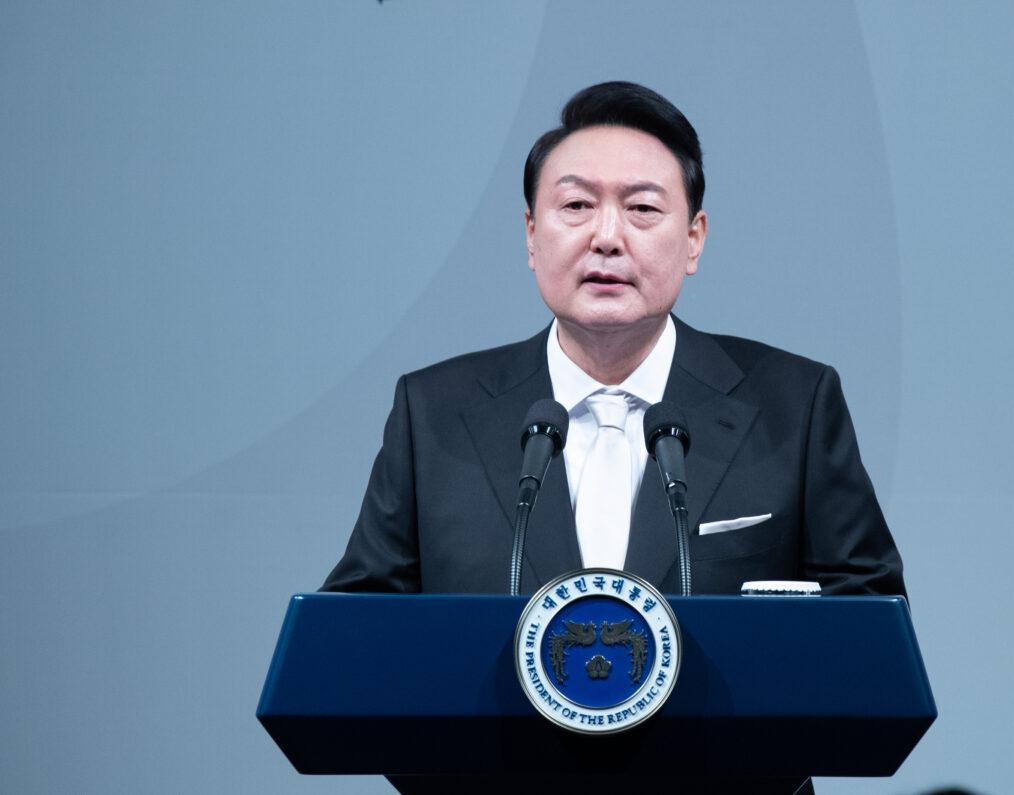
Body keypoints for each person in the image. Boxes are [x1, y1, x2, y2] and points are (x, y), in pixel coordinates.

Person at [322, 81, 904, 599]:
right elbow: (353, 636)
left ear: (694, 239)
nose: (606, 237)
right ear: (531, 234)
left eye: (642, 208)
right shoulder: (434, 414)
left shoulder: (795, 405)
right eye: (576, 205)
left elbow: (870, 617)